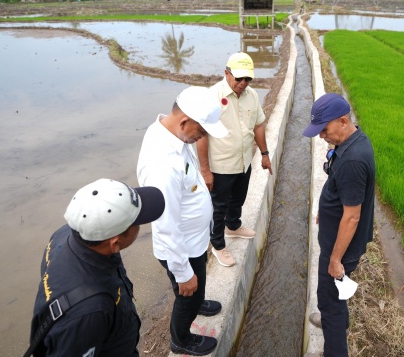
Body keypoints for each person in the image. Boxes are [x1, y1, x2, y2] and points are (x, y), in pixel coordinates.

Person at [137, 86, 228, 356]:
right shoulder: (161, 164)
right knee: (187, 292)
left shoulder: (175, 134)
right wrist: (182, 273)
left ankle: (196, 301)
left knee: (195, 286)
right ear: (185, 121)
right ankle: (181, 340)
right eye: (201, 131)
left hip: (194, 240)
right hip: (182, 248)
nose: (202, 137)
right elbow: (166, 226)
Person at [29, 178, 165, 357]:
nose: (140, 225)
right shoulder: (89, 312)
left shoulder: (66, 235)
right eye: (136, 222)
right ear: (115, 243)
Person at [302, 93, 375, 357]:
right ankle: (340, 322)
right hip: (339, 241)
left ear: (343, 121)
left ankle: (334, 340)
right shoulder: (353, 140)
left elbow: (352, 217)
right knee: (336, 295)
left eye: (324, 130)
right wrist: (325, 208)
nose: (322, 135)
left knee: (328, 302)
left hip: (340, 249)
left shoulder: (353, 161)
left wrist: (335, 260)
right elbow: (344, 194)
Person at [197, 52, 272, 267]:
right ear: (226, 73)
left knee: (238, 198)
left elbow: (258, 125)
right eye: (238, 78)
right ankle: (218, 245)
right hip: (221, 165)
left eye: (247, 79)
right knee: (218, 206)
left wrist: (265, 154)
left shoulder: (252, 96)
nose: (243, 83)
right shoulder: (212, 97)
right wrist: (205, 170)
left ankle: (233, 226)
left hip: (244, 161)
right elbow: (201, 134)